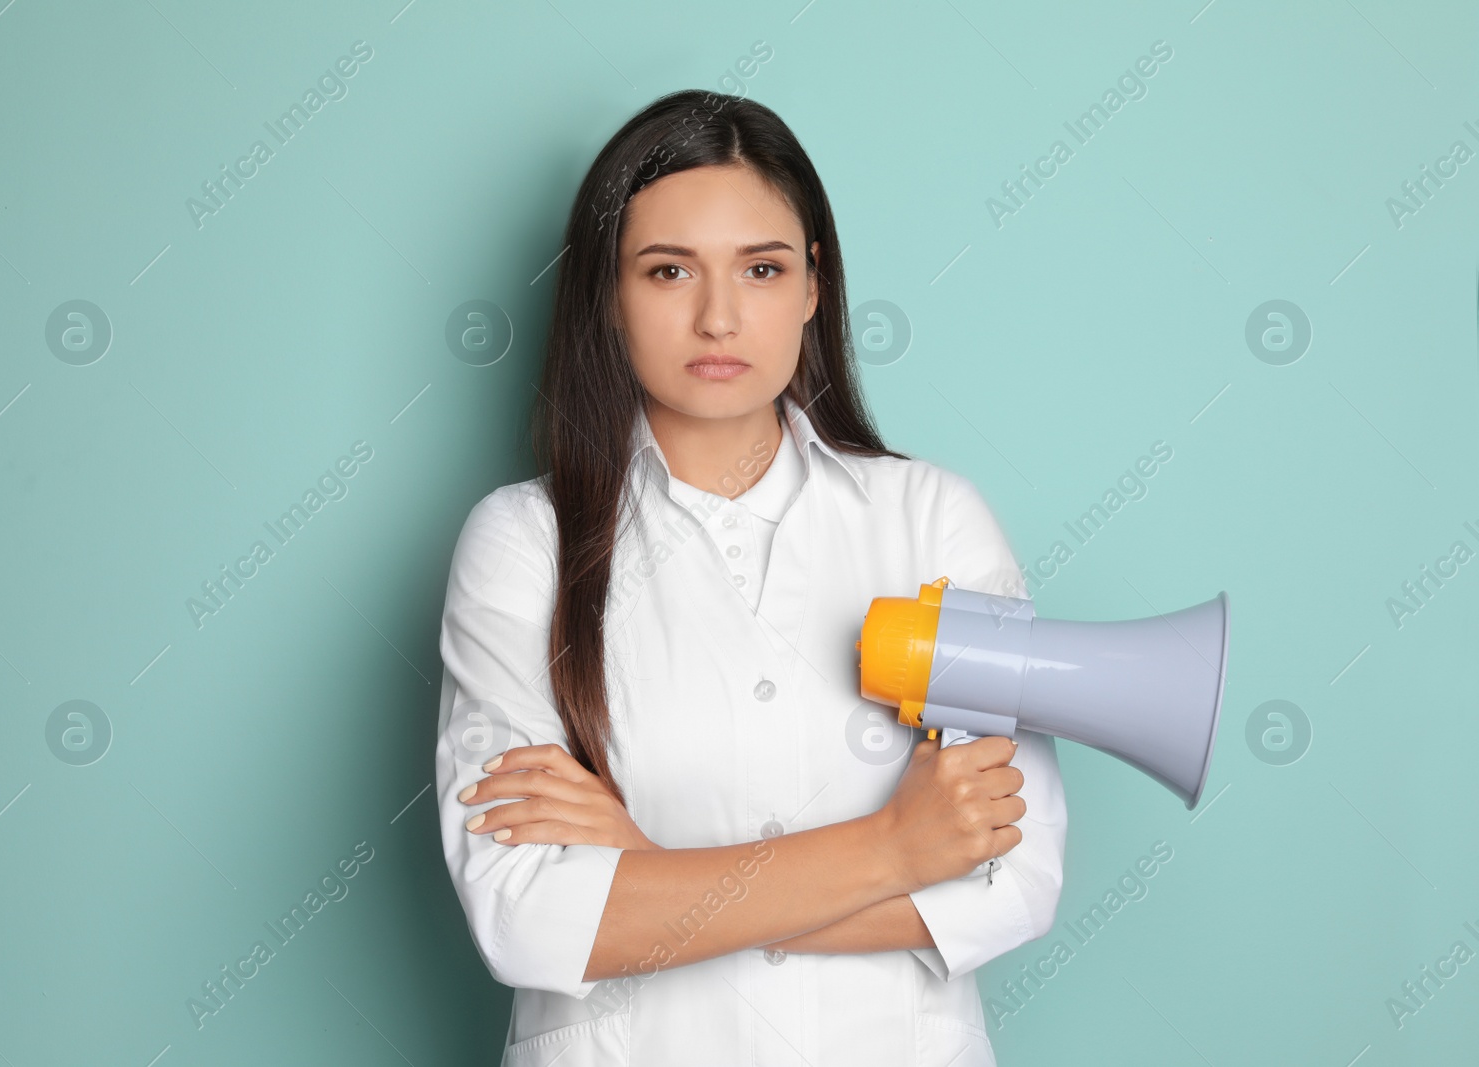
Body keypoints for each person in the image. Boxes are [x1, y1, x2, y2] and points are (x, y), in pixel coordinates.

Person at [435, 88, 1066, 1066]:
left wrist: (645, 869)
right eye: (668, 269)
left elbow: (1009, 879)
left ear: (812, 285)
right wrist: (891, 852)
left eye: (761, 268)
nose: (718, 315)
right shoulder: (522, 546)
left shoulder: (933, 520)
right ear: (608, 291)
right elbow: (528, 918)